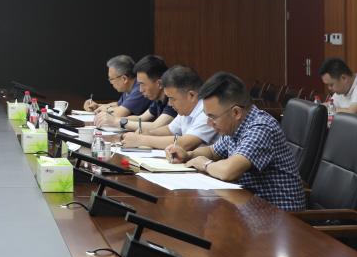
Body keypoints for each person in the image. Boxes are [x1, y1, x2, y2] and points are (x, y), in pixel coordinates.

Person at [166, 72, 305, 211]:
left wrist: (204, 164)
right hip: (252, 206)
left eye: (213, 117)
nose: (209, 123)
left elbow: (229, 171)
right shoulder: (235, 126)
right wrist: (188, 155)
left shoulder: (261, 128)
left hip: (279, 215)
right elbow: (212, 151)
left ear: (236, 112)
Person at [121, 65, 215, 151]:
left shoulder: (208, 111)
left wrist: (141, 140)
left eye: (172, 98)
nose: (169, 103)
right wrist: (148, 133)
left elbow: (186, 143)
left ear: (191, 95)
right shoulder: (186, 110)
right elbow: (169, 130)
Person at [112, 54, 176, 131]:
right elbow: (141, 118)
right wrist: (115, 120)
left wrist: (118, 122)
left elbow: (155, 126)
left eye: (142, 84)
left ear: (159, 83)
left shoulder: (173, 100)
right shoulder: (158, 99)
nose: (140, 90)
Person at [82, 55, 147, 119]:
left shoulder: (140, 88)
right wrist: (97, 106)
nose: (110, 82)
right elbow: (119, 105)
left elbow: (120, 113)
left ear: (124, 79)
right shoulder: (129, 88)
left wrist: (105, 109)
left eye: (111, 79)